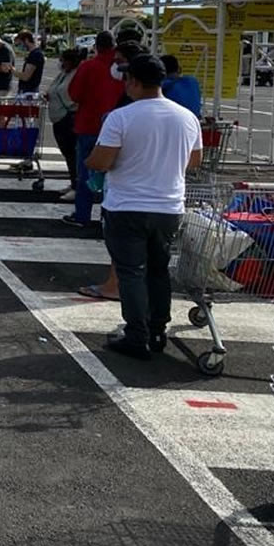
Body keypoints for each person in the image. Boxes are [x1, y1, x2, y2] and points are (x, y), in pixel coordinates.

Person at [84, 54, 202, 359]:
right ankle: (158, 329)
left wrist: (90, 161)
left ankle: (137, 334)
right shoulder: (186, 117)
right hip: (169, 206)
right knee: (159, 270)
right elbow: (194, 161)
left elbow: (102, 160)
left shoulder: (121, 117)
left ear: (133, 82)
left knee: (131, 271)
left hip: (127, 205)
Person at [65, 31, 125, 227]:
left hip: (89, 124)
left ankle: (82, 214)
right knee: (115, 173)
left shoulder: (89, 67)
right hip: (119, 127)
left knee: (86, 171)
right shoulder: (123, 69)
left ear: (96, 46)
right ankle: (107, 215)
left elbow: (74, 94)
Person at [46, 48, 83, 203]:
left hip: (68, 117)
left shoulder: (77, 74)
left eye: (63, 60)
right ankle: (73, 182)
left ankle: (77, 186)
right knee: (67, 154)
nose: (60, 63)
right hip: (58, 118)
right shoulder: (63, 74)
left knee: (73, 154)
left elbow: (73, 96)